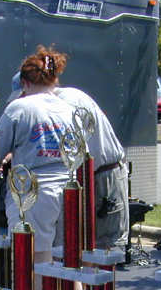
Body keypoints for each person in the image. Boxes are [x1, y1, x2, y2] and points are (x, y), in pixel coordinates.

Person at [0, 46, 84, 290]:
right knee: (69, 265)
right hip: (70, 191)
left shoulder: (19, 108)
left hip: (34, 194)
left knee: (36, 264)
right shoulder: (69, 109)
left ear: (24, 82)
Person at [9, 70, 129, 249]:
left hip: (102, 178)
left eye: (24, 97)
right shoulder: (54, 103)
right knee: (76, 247)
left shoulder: (66, 102)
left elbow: (60, 146)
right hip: (87, 177)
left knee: (103, 249)